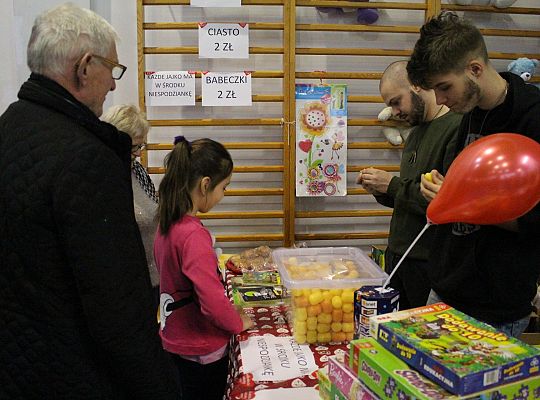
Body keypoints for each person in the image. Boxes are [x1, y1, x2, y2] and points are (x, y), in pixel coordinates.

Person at [0, 4, 179, 399]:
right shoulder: (86, 157)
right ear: (84, 67)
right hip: (74, 374)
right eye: (112, 70)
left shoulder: (9, 127)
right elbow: (117, 310)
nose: (114, 86)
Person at [407, 11, 540, 337]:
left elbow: (534, 220)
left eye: (444, 87)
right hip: (445, 287)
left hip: (495, 306)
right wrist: (444, 189)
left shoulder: (533, 118)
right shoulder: (470, 112)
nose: (439, 100)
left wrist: (465, 204)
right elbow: (467, 185)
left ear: (475, 69)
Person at [356, 60, 461, 310]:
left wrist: (391, 185)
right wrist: (381, 191)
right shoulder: (415, 133)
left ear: (416, 87)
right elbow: (409, 195)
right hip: (399, 256)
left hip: (427, 263)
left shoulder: (455, 128)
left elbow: (441, 203)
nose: (394, 112)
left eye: (395, 101)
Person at [155, 136, 254, 400]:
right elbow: (210, 300)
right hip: (201, 350)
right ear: (205, 184)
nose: (223, 196)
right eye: (224, 188)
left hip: (176, 340)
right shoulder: (192, 235)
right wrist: (236, 321)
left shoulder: (167, 223)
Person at [102, 104, 160, 307]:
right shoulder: (104, 178)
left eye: (141, 146)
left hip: (152, 278)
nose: (137, 153)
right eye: (134, 146)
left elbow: (155, 209)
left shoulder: (138, 171)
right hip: (125, 286)